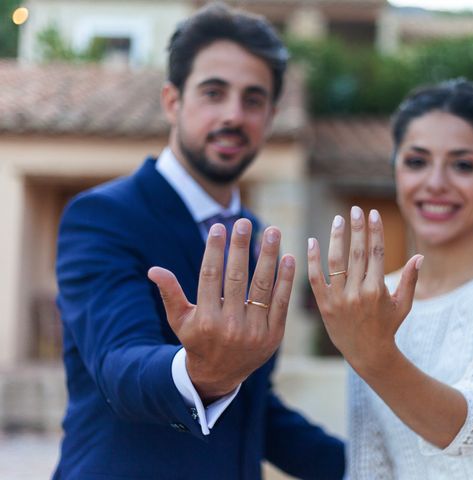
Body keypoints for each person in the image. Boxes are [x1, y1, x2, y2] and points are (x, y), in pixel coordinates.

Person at [54, 3, 344, 479]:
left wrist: (369, 469)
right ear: (173, 100)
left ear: (270, 115)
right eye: (214, 93)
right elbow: (118, 365)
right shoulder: (103, 215)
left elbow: (252, 409)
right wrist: (200, 373)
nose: (234, 114)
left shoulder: (250, 235)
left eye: (253, 100)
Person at [307, 79, 473, 479]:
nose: (436, 183)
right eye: (416, 161)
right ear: (395, 172)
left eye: (463, 164)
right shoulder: (374, 301)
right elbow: (369, 462)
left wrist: (373, 354)